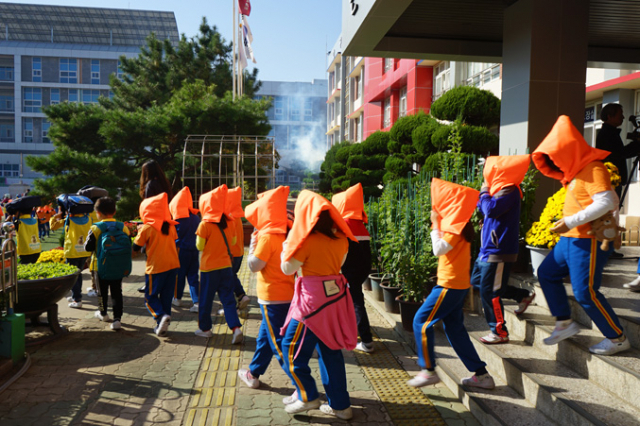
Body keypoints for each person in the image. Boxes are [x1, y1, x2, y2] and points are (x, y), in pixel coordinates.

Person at [532, 115, 630, 356]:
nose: (554, 161)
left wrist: (570, 221)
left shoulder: (593, 168)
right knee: (546, 273)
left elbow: (605, 202)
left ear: (568, 152)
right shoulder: (577, 172)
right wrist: (568, 224)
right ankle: (564, 322)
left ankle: (617, 338)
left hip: (587, 241)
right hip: (571, 239)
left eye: (555, 156)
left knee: (586, 293)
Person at [408, 178, 495, 390]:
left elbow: (438, 249)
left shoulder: (456, 225)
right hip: (455, 285)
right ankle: (482, 375)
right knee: (455, 330)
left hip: (450, 285)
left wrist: (435, 223)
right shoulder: (458, 224)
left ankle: (428, 371)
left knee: (420, 322)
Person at [280, 190, 358, 420]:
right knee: (330, 351)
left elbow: (287, 269)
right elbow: (339, 264)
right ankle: (341, 406)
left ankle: (307, 396)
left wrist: (290, 241)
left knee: (290, 350)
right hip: (334, 300)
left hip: (310, 305)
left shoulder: (307, 241)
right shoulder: (341, 239)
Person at [471, 155, 536, 344]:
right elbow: (483, 207)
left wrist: (484, 192)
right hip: (487, 248)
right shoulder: (498, 189)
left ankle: (499, 331)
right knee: (477, 282)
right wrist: (484, 196)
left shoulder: (510, 190)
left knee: (490, 291)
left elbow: (490, 209)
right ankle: (521, 295)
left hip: (498, 250)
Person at [237, 186, 295, 389]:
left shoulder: (267, 237)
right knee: (265, 336)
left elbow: (254, 266)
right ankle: (253, 373)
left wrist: (253, 243)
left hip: (272, 297)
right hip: (288, 295)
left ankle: (304, 388)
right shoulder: (288, 233)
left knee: (278, 346)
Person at [194, 185, 243, 344]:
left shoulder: (204, 225)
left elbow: (200, 246)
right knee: (228, 299)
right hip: (226, 267)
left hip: (209, 268)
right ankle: (235, 328)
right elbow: (234, 241)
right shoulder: (229, 222)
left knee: (206, 300)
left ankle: (205, 329)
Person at [331, 183, 375, 353]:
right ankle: (353, 331)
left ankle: (366, 340)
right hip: (363, 269)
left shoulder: (343, 225)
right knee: (353, 299)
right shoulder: (359, 224)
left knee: (356, 302)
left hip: (349, 270)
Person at [132, 192, 180, 336]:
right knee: (166, 296)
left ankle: (160, 316)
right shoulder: (170, 227)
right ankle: (162, 325)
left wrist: (139, 231)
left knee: (150, 296)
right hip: (173, 265)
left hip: (156, 267)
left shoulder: (147, 228)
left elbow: (135, 248)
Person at [84, 197, 131, 331]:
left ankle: (103, 313)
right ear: (115, 211)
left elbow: (87, 247)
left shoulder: (96, 228)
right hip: (118, 266)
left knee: (101, 292)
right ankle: (117, 319)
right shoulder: (123, 227)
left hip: (100, 267)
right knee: (117, 292)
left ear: (97, 212)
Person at [137, 160, 173, 293]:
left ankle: (149, 284)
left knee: (150, 256)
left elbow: (149, 206)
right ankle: (163, 284)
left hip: (153, 223)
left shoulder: (150, 185)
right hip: (166, 221)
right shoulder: (165, 184)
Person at [51, 202, 93, 308]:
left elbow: (52, 226)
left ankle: (77, 299)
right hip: (84, 251)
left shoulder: (68, 220)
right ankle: (76, 296)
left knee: (72, 276)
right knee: (78, 273)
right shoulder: (88, 219)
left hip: (72, 252)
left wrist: (56, 216)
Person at [169, 186, 201, 312]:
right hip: (194, 249)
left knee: (179, 275)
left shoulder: (178, 219)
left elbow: (176, 235)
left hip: (181, 250)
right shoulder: (196, 217)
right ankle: (197, 302)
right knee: (193, 276)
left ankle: (177, 298)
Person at [225, 186, 251, 311]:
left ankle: (239, 297)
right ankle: (240, 297)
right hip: (240, 252)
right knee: (231, 276)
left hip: (231, 253)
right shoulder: (238, 216)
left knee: (228, 279)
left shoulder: (229, 217)